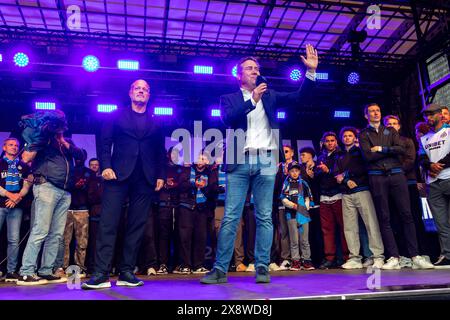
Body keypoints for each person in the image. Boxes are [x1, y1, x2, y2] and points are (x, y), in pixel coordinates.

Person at [201, 44, 318, 284]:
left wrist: (311, 73)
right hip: (239, 160)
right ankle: (221, 269)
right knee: (232, 216)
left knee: (265, 216)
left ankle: (262, 267)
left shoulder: (271, 95)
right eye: (250, 69)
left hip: (266, 159)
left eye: (257, 68)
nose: (255, 72)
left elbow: (300, 98)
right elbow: (229, 119)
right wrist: (252, 100)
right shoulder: (229, 98)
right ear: (239, 75)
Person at [82, 79, 166, 289]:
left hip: (145, 178)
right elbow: (104, 143)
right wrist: (105, 166)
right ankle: (101, 273)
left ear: (149, 95)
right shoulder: (116, 115)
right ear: (130, 93)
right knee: (108, 223)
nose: (141, 91)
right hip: (117, 175)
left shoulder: (156, 121)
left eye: (145, 89)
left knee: (137, 226)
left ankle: (126, 271)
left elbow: (159, 152)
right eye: (137, 88)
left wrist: (160, 175)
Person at [358, 103, 434, 270]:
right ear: (366, 115)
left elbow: (400, 149)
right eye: (372, 111)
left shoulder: (390, 131)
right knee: (385, 217)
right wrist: (388, 151)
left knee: (407, 214)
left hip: (397, 175)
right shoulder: (363, 134)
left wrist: (381, 148)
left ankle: (415, 256)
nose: (376, 113)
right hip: (377, 177)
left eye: (378, 110)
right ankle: (394, 257)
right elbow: (367, 156)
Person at [19, 128, 84, 285]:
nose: (59, 129)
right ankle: (26, 272)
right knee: (41, 230)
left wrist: (63, 142)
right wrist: (40, 139)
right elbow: (26, 157)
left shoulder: (67, 141)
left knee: (56, 234)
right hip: (46, 186)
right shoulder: (44, 140)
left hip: (65, 191)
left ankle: (46, 270)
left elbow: (82, 156)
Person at [335, 127, 384, 269]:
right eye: (345, 136)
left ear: (355, 137)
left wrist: (347, 176)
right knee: (350, 227)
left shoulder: (361, 152)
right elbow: (336, 174)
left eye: (350, 135)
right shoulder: (340, 155)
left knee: (371, 224)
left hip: (362, 190)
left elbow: (364, 169)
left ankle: (378, 256)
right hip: (346, 194)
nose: (347, 138)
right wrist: (345, 180)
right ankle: (354, 258)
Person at [418, 103, 450, 268]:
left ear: (440, 114)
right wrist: (430, 166)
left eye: (431, 114)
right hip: (433, 184)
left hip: (448, 177)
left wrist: (438, 165)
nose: (428, 118)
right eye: (426, 115)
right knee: (441, 222)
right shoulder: (424, 138)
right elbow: (421, 158)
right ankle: (447, 254)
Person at [0, 138, 32, 282]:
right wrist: (10, 195)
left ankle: (11, 271)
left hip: (16, 207)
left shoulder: (23, 166)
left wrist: (17, 197)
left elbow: (27, 185)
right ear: (4, 147)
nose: (14, 147)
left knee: (14, 240)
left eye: (16, 146)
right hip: (0, 205)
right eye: (11, 145)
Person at [315, 132, 349, 269]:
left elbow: (341, 173)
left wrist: (327, 170)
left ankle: (347, 257)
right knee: (327, 230)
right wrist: (315, 172)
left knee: (344, 228)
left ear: (336, 142)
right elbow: (319, 176)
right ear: (323, 142)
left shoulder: (341, 155)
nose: (330, 143)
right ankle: (330, 258)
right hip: (324, 197)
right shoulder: (321, 156)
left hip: (338, 195)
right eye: (327, 141)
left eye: (332, 140)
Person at [279, 161, 314, 271]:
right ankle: (295, 261)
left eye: (296, 171)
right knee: (294, 240)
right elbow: (283, 199)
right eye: (292, 171)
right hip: (291, 215)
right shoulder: (286, 183)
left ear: (299, 171)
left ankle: (306, 261)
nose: (294, 173)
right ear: (288, 172)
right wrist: (293, 206)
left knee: (305, 240)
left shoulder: (303, 183)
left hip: (303, 215)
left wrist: (304, 208)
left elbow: (308, 197)